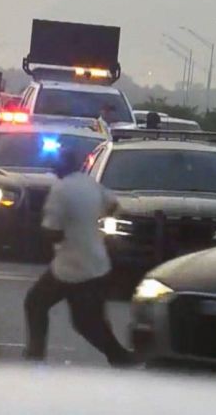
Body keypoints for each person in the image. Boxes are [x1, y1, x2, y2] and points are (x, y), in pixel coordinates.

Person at [23, 151, 136, 367]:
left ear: (58, 168)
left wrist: (45, 234)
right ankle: (120, 357)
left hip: (72, 266)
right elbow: (114, 205)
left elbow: (51, 231)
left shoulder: (60, 190)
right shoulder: (90, 184)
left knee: (36, 303)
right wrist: (93, 228)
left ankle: (36, 353)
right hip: (97, 262)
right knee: (88, 321)